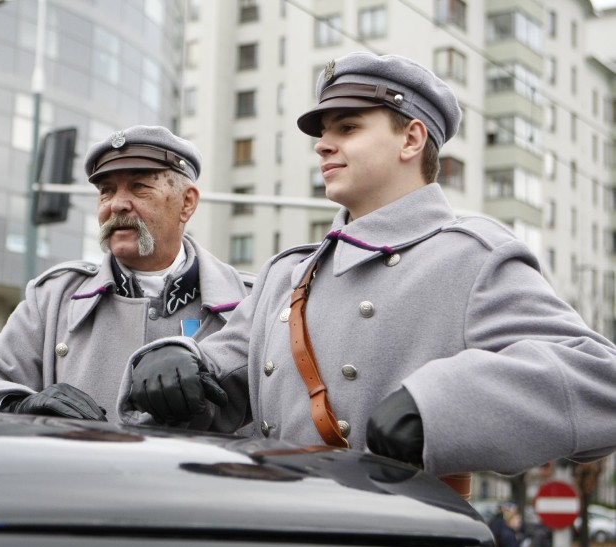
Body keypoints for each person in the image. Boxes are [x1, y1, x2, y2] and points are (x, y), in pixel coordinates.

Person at [117, 52, 616, 479]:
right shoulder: (288, 274)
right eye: (323, 132)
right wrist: (175, 363)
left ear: (411, 139)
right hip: (276, 533)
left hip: (398, 539)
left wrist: (438, 406)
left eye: (348, 127)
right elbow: (220, 374)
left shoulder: (471, 256)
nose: (322, 144)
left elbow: (598, 378)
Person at [0, 125, 254, 422]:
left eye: (139, 187)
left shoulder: (250, 301)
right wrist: (18, 405)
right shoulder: (55, 299)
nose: (117, 205)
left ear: (187, 203)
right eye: (107, 191)